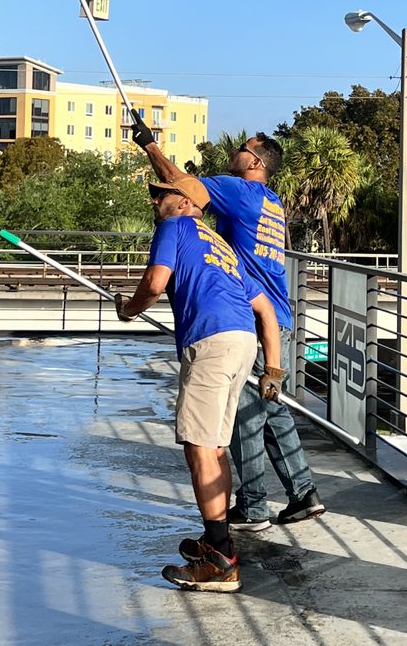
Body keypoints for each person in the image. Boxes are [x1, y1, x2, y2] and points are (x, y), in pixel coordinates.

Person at [131, 119, 325, 530]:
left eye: (243, 146)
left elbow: (183, 187)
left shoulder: (241, 191)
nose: (235, 149)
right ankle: (303, 492)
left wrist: (149, 146)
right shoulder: (272, 201)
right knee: (269, 409)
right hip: (272, 315)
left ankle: (253, 506)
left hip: (251, 313)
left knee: (242, 416)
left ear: (254, 161)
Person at [114, 174, 284, 592]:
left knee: (199, 448)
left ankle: (221, 561)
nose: (155, 201)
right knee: (216, 447)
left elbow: (155, 283)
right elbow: (266, 312)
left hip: (210, 342)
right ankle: (214, 542)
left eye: (162, 194)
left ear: (185, 201)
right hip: (241, 342)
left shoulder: (174, 227)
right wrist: (272, 371)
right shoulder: (221, 244)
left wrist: (129, 309)